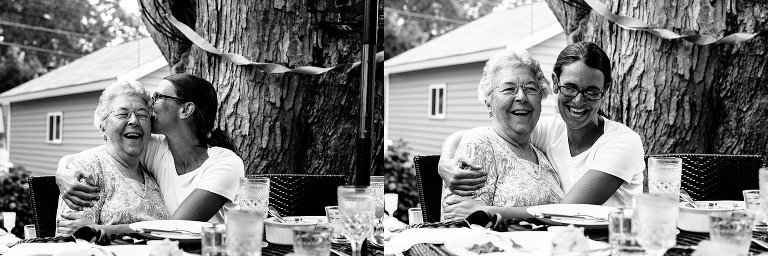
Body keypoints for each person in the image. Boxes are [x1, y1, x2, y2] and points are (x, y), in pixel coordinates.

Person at [440, 42, 645, 219]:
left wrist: (488, 211)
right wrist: (445, 162)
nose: (579, 100)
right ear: (556, 83)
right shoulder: (550, 130)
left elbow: (568, 212)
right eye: (570, 88)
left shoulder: (623, 142)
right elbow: (483, 137)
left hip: (614, 242)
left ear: (605, 90)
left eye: (591, 91)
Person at [56, 74, 245, 224]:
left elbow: (176, 227)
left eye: (158, 97)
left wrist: (102, 230)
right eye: (124, 113)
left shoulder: (226, 163)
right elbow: (103, 153)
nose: (150, 106)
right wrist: (63, 171)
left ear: (186, 110)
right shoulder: (155, 147)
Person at [440, 49, 564, 221]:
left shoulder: (542, 156)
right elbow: (460, 223)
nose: (521, 96)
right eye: (508, 89)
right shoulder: (480, 144)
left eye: (530, 88)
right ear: (489, 103)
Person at [55, 81, 168, 236]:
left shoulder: (152, 175)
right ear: (103, 127)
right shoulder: (88, 169)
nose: (134, 121)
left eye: (142, 114)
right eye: (122, 114)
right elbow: (70, 237)